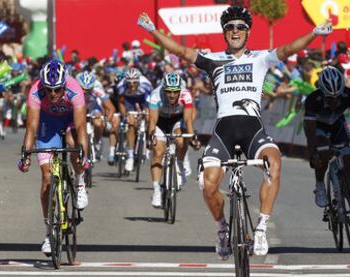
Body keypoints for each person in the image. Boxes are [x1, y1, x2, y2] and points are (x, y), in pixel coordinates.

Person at [138, 6, 333, 259]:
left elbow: (288, 49)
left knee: (273, 163)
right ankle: (221, 229)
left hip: (253, 130)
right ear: (224, 32)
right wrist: (153, 30)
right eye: (230, 27)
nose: (235, 31)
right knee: (207, 185)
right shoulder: (213, 59)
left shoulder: (261, 58)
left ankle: (261, 228)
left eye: (240, 27)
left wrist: (314, 33)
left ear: (248, 31)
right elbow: (180, 51)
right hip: (224, 131)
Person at [17, 59, 89, 255]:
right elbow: (31, 127)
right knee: (47, 177)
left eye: (57, 89)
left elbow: (81, 126)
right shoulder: (35, 91)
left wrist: (83, 156)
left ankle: (80, 183)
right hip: (48, 124)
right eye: (49, 90)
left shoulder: (74, 89)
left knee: (73, 142)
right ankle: (49, 234)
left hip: (69, 121)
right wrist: (26, 155)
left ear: (64, 85)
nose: (53, 94)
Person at [303, 66, 350, 236]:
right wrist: (313, 151)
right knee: (323, 152)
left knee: (348, 170)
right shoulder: (313, 99)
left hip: (337, 126)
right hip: (318, 127)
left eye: (337, 97)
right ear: (322, 92)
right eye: (330, 98)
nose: (334, 101)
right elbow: (310, 130)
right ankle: (320, 183)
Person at [147, 72, 200, 207]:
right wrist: (151, 135)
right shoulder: (155, 95)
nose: (172, 95)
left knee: (182, 140)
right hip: (160, 121)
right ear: (164, 89)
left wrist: (192, 136)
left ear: (179, 90)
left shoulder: (185, 95)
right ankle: (157, 190)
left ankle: (180, 165)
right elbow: (152, 120)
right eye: (169, 92)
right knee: (158, 153)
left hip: (176, 120)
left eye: (175, 92)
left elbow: (188, 119)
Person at [113, 67, 152, 171]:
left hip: (143, 99)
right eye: (129, 83)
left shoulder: (146, 85)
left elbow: (150, 103)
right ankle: (130, 156)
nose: (132, 85)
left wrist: (144, 113)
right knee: (130, 123)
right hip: (128, 101)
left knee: (149, 118)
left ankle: (148, 144)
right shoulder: (121, 86)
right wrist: (125, 114)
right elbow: (121, 102)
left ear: (138, 81)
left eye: (134, 83)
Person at [76, 71, 115, 161]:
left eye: (88, 89)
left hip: (93, 109)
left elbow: (111, 108)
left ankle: (97, 141)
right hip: (80, 109)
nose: (85, 91)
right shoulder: (73, 91)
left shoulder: (97, 91)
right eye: (82, 88)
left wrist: (106, 121)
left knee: (98, 123)